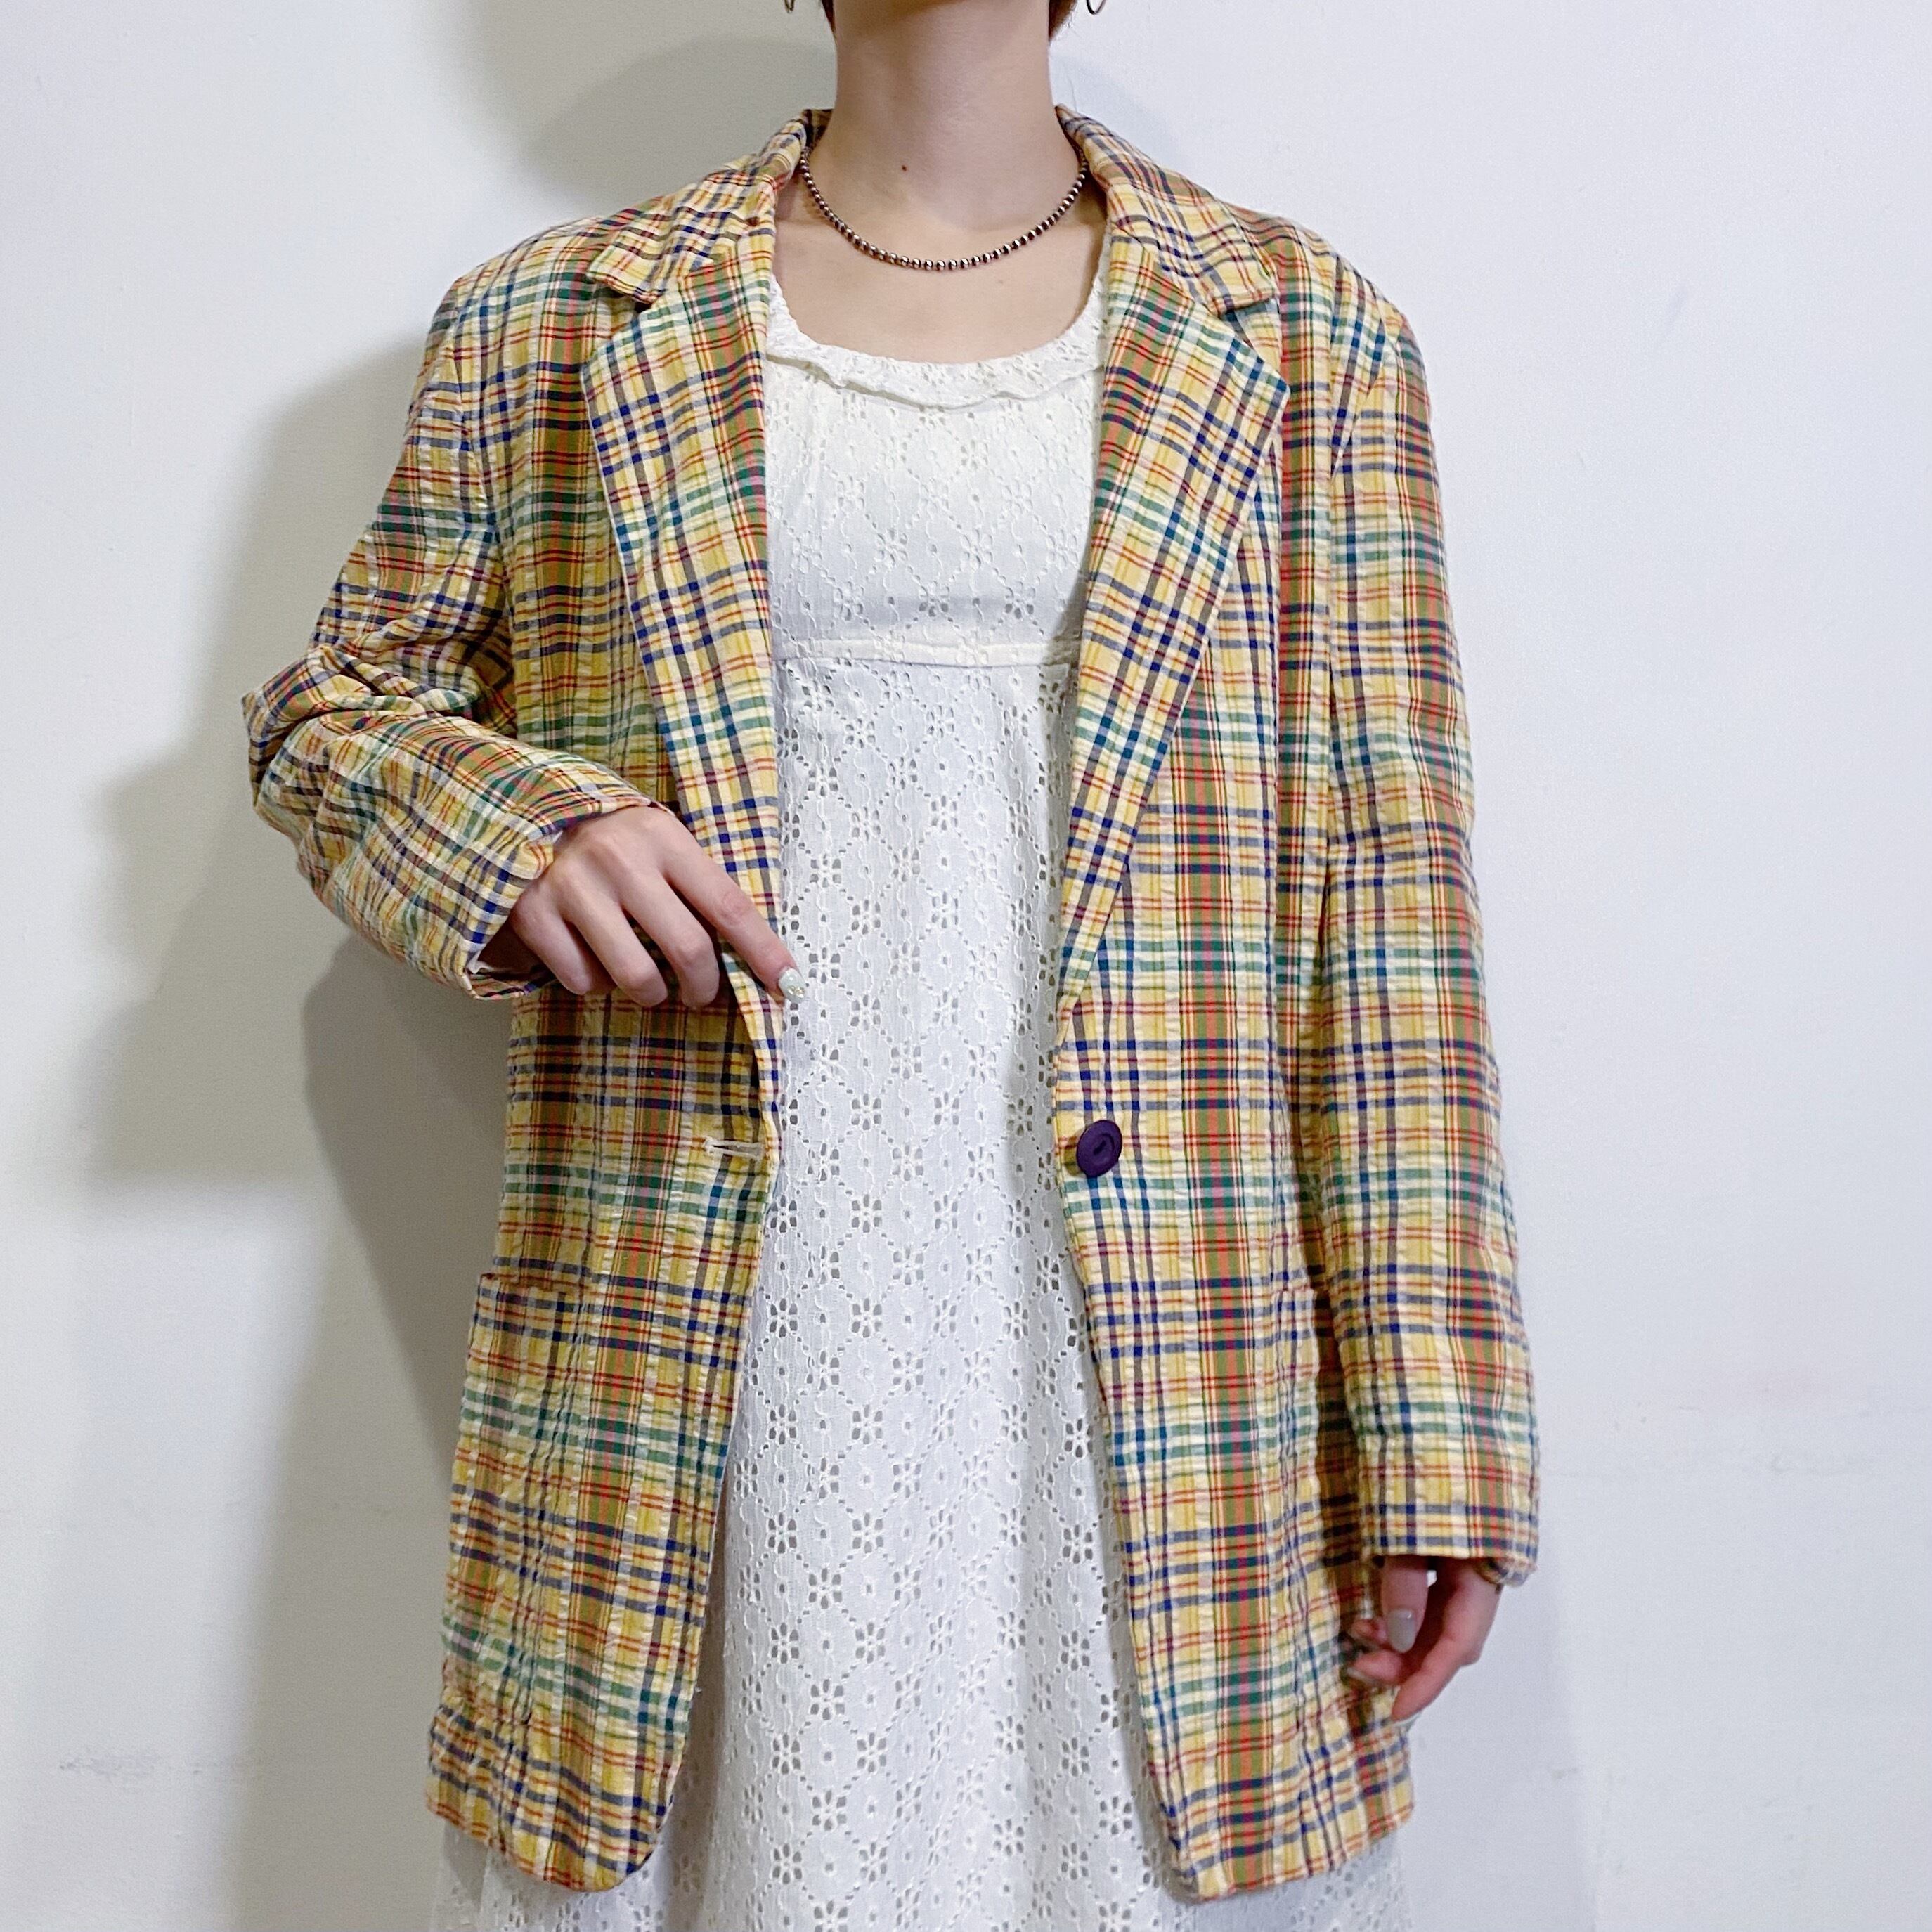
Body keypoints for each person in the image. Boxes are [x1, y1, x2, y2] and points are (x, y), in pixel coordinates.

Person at [239, 1, 1541, 1926]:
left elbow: (1391, 908)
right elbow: (330, 719)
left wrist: (1438, 1434)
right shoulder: (562, 317)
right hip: (712, 1306)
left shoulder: (1299, 330)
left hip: (1160, 1332)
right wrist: (521, 831)